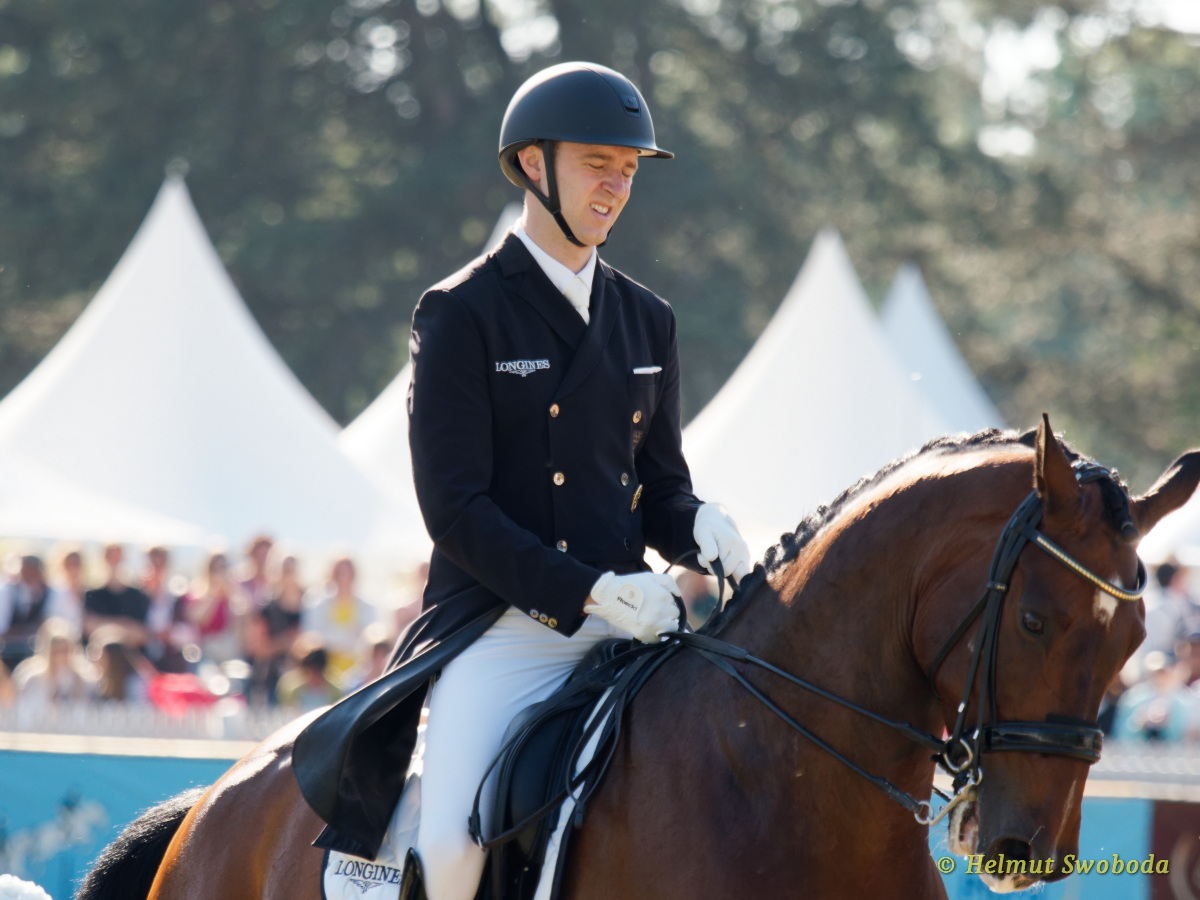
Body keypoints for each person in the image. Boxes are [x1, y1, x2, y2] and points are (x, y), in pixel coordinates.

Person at [292, 61, 751, 899]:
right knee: (452, 844)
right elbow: (456, 511)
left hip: (632, 625)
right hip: (501, 628)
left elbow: (657, 488)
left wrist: (697, 527)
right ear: (533, 165)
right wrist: (590, 592)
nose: (616, 186)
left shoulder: (648, 318)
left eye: (629, 169)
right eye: (596, 163)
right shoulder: (462, 311)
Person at [83, 544, 151, 648]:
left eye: (118, 557)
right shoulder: (92, 595)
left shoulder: (137, 596)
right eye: (110, 556)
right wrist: (125, 624)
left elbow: (142, 634)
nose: (114, 562)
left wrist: (103, 625)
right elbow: (89, 628)